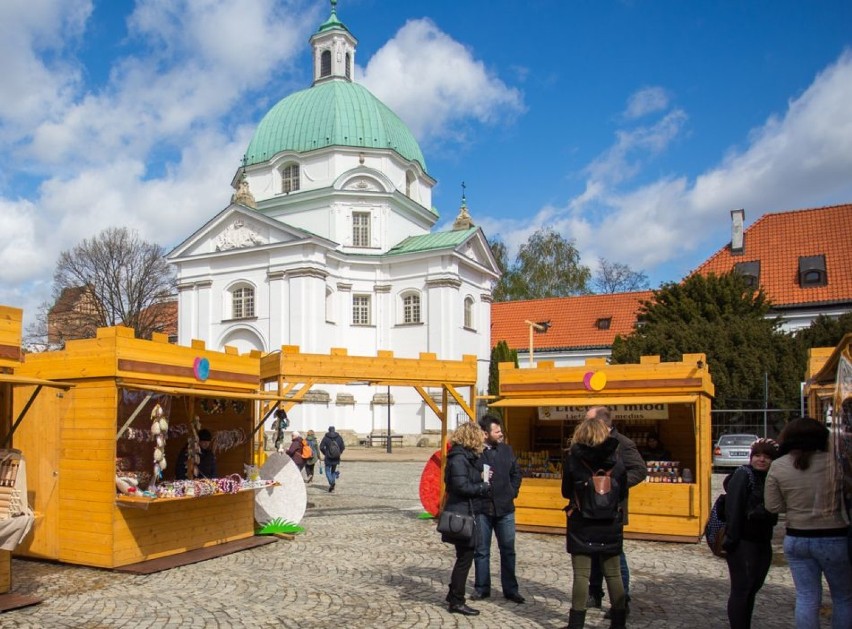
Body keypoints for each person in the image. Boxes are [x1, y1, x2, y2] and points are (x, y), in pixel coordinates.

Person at [765, 417, 852, 629]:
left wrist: (796, 505)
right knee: (843, 597)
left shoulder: (778, 466)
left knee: (806, 597)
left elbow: (772, 506)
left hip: (797, 537)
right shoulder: (837, 463)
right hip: (834, 536)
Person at [561, 416, 628, 629]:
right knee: (614, 574)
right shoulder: (616, 459)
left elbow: (565, 491)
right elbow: (623, 491)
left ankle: (576, 623)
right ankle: (619, 623)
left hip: (582, 521)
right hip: (610, 521)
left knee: (581, 575)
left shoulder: (573, 459)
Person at [585, 406, 647, 616]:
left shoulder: (623, 444)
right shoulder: (589, 443)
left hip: (613, 509)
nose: (585, 425)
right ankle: (594, 594)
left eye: (588, 421)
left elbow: (640, 470)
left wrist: (614, 485)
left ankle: (622, 600)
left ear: (602, 423)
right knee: (592, 553)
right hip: (591, 509)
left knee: (615, 556)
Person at [722, 438, 780, 629]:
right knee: (742, 589)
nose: (761, 460)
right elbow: (734, 508)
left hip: (762, 540)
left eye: (766, 457)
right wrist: (731, 539)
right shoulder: (743, 474)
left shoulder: (772, 477)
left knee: (753, 587)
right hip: (743, 542)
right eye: (757, 455)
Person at [472, 414, 525, 603]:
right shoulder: (475, 452)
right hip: (483, 509)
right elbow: (469, 476)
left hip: (505, 508)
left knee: (508, 550)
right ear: (485, 434)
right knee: (482, 551)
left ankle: (511, 589)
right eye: (497, 431)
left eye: (501, 430)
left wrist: (512, 491)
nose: (501, 434)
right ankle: (482, 588)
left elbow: (516, 473)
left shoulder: (507, 450)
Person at [442, 420, 492, 616]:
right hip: (461, 514)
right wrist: (482, 487)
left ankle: (453, 594)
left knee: (464, 556)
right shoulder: (458, 459)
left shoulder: (465, 457)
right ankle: (456, 600)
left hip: (467, 510)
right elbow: (460, 486)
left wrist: (479, 477)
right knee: (465, 558)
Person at [320, 425, 345, 493]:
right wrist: (339, 453)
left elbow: (321, 447)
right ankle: (332, 483)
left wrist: (325, 453)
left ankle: (331, 483)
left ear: (329, 430)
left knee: (327, 470)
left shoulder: (325, 438)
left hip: (328, 457)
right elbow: (343, 447)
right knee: (333, 471)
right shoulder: (339, 437)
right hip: (336, 457)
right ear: (334, 430)